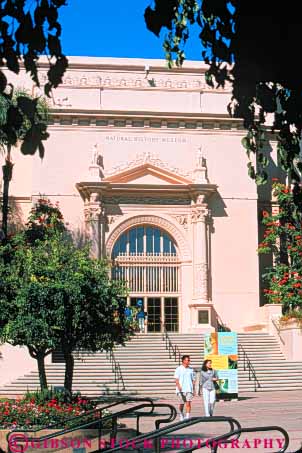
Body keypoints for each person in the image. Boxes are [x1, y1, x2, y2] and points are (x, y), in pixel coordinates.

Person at [174, 355, 196, 421]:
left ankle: (187, 416)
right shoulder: (178, 369)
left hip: (189, 388)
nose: (189, 361)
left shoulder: (191, 369)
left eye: (189, 360)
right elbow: (176, 379)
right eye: (187, 360)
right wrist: (179, 386)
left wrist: (194, 389)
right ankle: (181, 414)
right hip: (181, 389)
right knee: (182, 404)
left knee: (188, 403)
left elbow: (193, 380)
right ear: (183, 360)